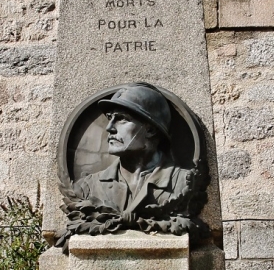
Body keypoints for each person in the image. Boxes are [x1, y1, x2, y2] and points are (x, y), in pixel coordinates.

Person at [69, 83, 193, 219]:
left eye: (122, 119)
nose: (109, 127)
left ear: (150, 130)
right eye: (110, 118)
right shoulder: (88, 187)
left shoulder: (184, 183)